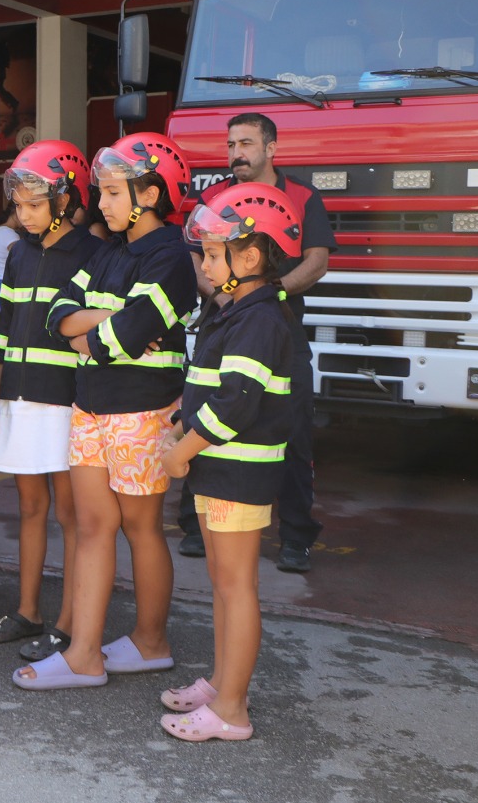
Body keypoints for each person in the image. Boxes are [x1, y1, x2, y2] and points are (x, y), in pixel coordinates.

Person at [15, 132, 196, 690]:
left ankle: (151, 642)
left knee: (142, 529)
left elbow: (120, 337)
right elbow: (56, 316)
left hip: (141, 409)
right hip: (89, 404)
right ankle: (84, 656)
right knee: (94, 526)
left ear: (152, 192)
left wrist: (93, 325)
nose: (103, 204)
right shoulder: (111, 249)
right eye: (103, 192)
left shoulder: (172, 255)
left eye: (115, 193)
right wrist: (105, 320)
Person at [160, 182, 303, 741]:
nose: (205, 262)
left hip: (238, 469)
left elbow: (236, 404)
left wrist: (181, 452)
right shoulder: (235, 310)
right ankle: (222, 684)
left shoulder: (258, 319)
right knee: (222, 581)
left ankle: (233, 711)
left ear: (250, 256)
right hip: (221, 468)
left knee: (236, 585)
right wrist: (181, 422)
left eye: (215, 253)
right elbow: (210, 389)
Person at [178, 112, 335, 573]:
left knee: (293, 433)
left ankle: (296, 536)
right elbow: (193, 255)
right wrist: (225, 297)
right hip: (218, 326)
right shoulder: (211, 197)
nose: (235, 153)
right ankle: (193, 525)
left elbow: (318, 261)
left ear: (271, 148)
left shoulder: (303, 195)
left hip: (279, 329)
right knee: (202, 412)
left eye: (246, 143)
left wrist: (267, 296)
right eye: (230, 144)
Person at [0, 141, 103, 662]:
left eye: (34, 204)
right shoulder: (16, 253)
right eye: (19, 205)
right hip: (20, 397)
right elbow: (5, 329)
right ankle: (28, 610)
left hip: (68, 400)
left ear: (64, 199)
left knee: (73, 516)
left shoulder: (95, 253)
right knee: (30, 507)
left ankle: (69, 623)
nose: (23, 215)